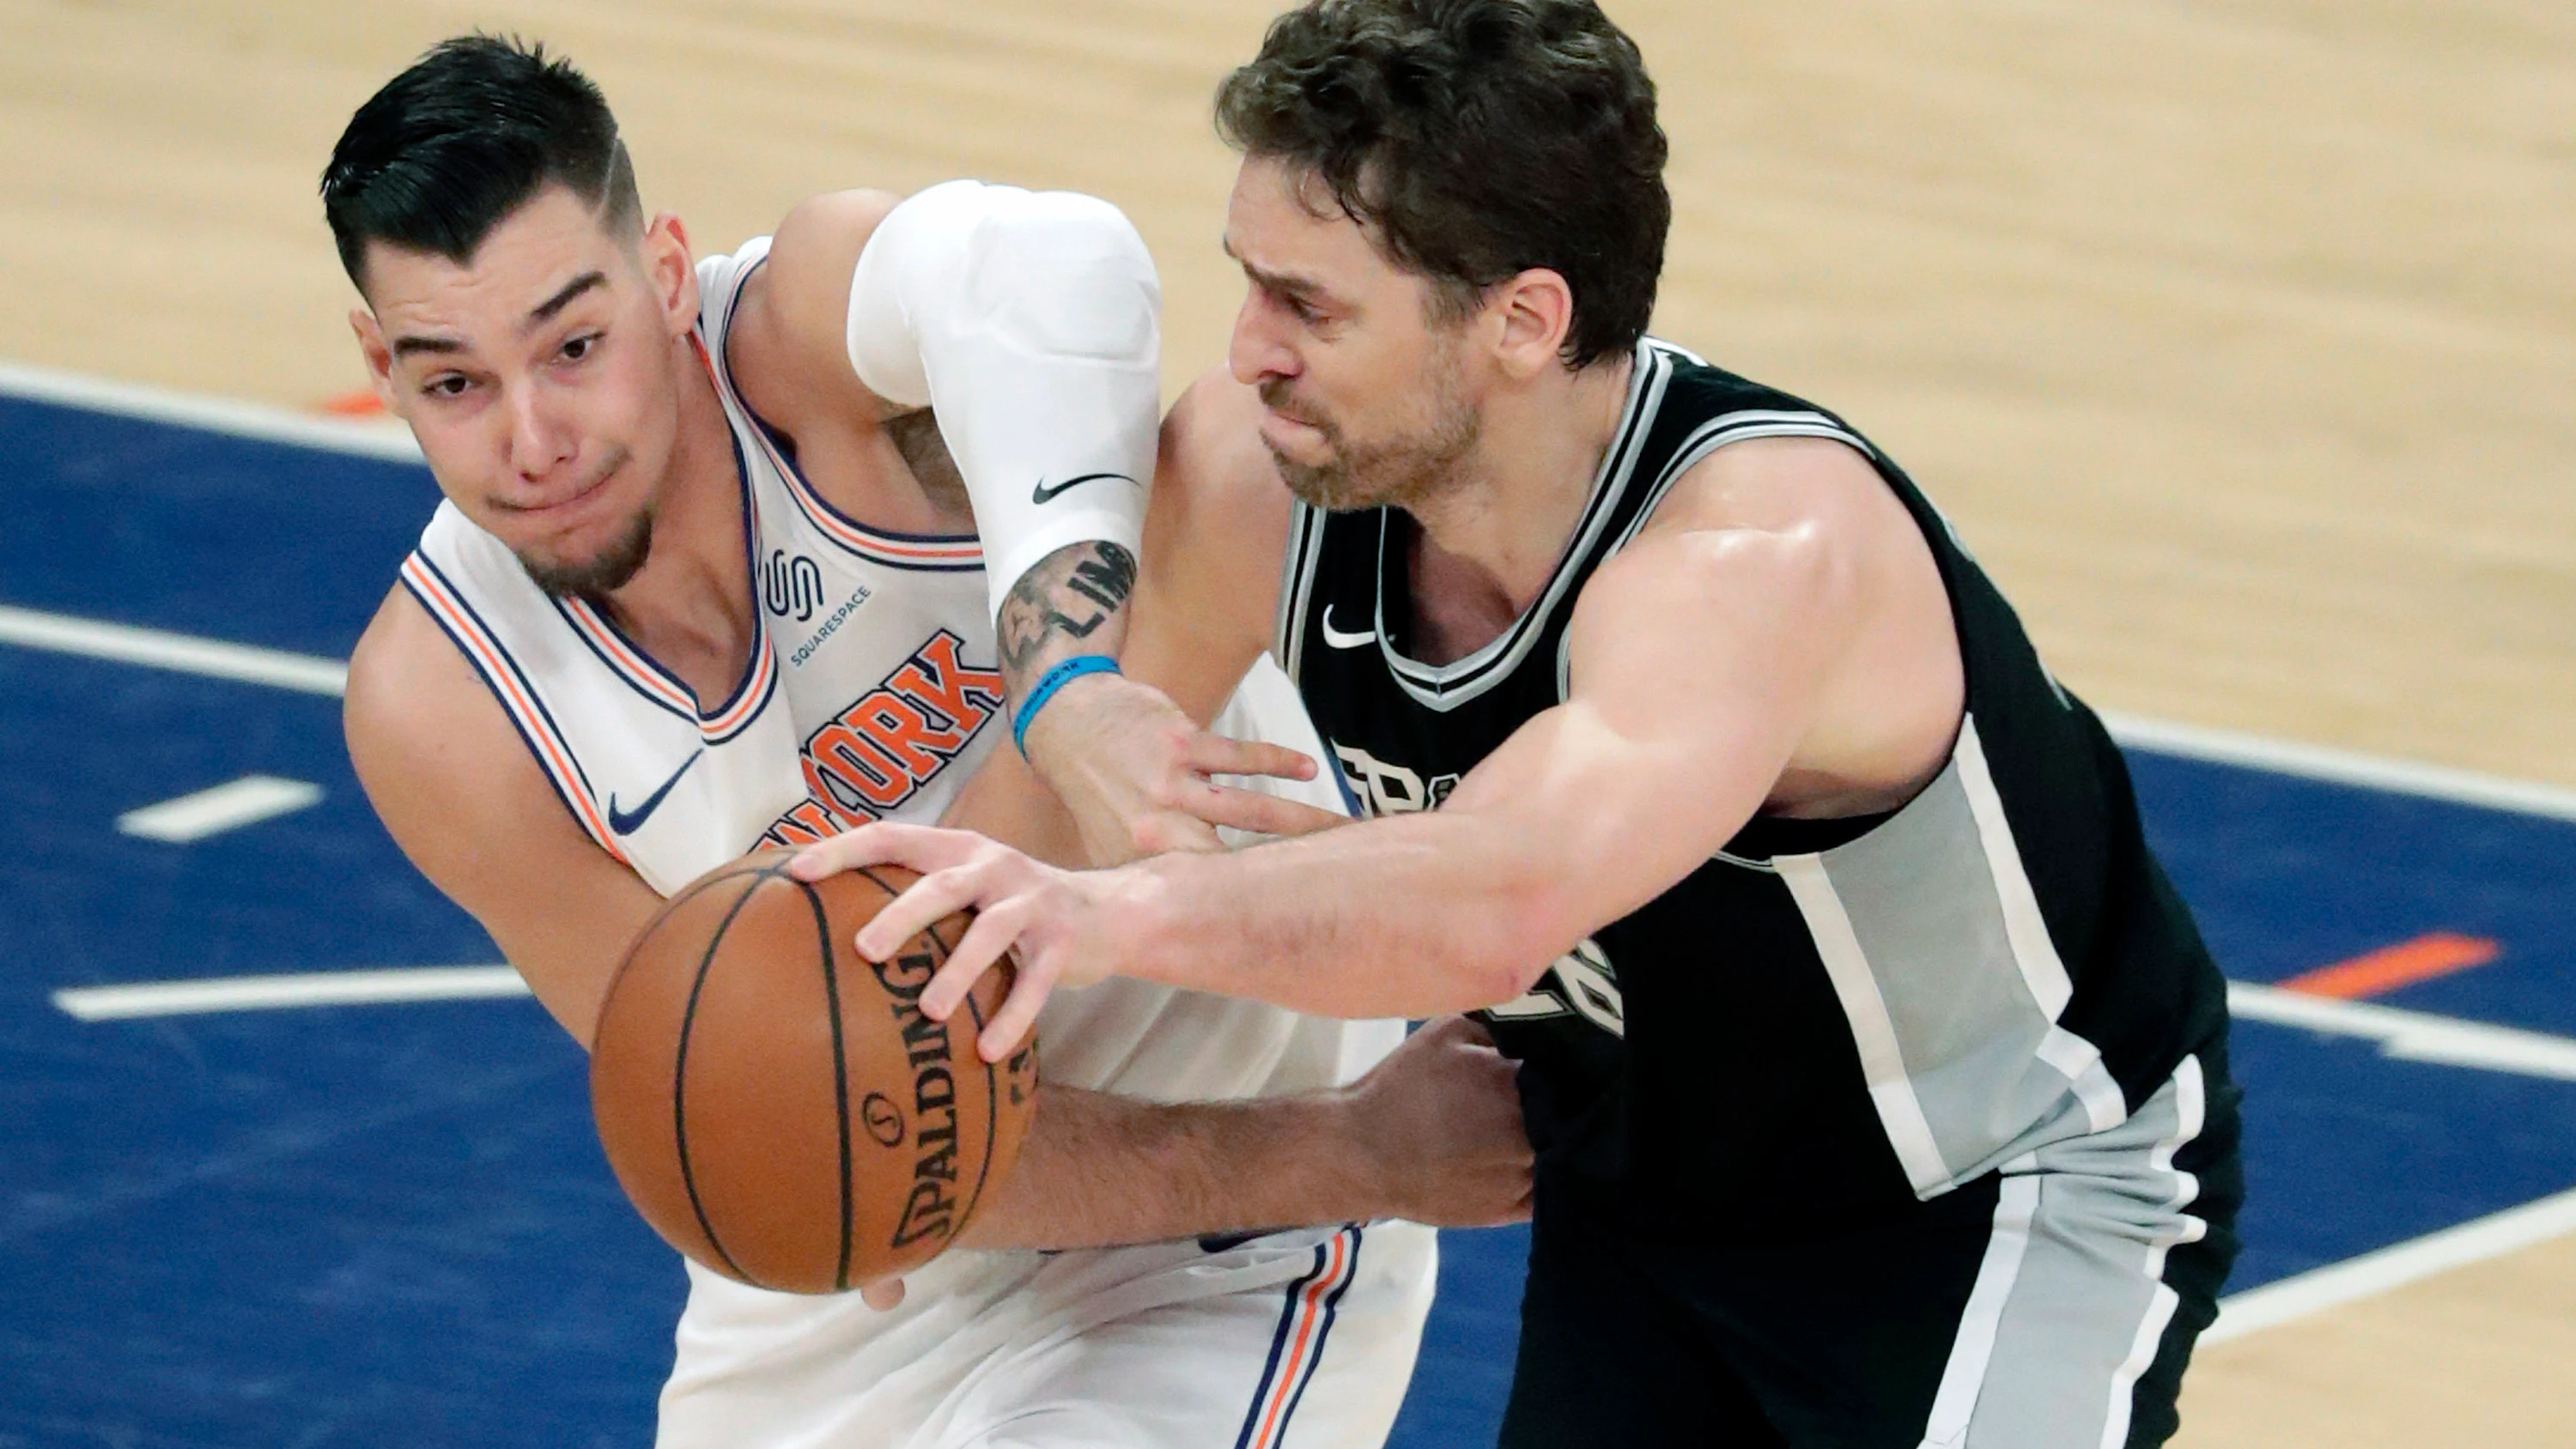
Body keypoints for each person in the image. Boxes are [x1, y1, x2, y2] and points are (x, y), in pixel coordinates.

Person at [797, 2, 2246, 1446]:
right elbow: (1027, 822)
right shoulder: (1258, 480)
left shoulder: (1753, 557)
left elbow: (1501, 893)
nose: (1247, 353)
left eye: (1310, 306)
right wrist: (883, 1040)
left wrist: (1113, 917)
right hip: (1649, 1188)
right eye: (1249, 284)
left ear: (1522, 321)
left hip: (1992, 1191)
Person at [322, 35, 1528, 1449]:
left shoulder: (808, 351)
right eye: (454, 384)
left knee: (1230, 453)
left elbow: (1062, 265)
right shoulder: (442, 708)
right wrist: (1361, 1152)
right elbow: (750, 1110)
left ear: (663, 280)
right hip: (854, 1259)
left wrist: (1060, 677)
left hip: (1226, 1217)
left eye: (574, 347)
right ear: (377, 366)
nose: (533, 438)